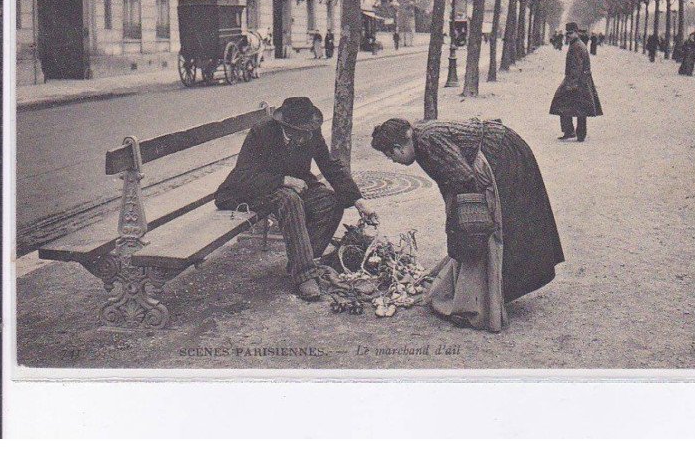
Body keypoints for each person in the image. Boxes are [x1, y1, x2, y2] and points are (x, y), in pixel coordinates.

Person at [370, 117, 564, 332]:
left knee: (501, 225)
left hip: (504, 155)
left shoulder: (427, 140)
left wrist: (465, 224)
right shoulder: (420, 140)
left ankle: (490, 295)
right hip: (499, 151)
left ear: (398, 148)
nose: (392, 161)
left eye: (390, 155)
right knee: (491, 227)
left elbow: (464, 177)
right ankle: (491, 290)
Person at [215, 97, 378, 301]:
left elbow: (329, 165)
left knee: (331, 200)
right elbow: (243, 176)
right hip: (256, 191)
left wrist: (358, 200)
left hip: (294, 187)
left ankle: (304, 260)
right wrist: (284, 180)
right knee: (290, 199)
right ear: (287, 127)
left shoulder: (310, 131)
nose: (307, 138)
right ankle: (303, 275)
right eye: (301, 133)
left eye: (309, 132)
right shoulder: (262, 132)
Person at [549, 22, 603, 142]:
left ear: (576, 32)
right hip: (581, 80)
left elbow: (576, 67)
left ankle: (575, 133)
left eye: (571, 33)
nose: (568, 35)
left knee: (566, 104)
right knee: (579, 107)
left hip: (578, 81)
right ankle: (576, 132)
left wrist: (571, 84)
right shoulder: (577, 44)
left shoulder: (577, 46)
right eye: (567, 33)